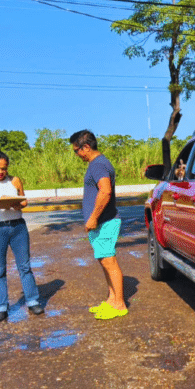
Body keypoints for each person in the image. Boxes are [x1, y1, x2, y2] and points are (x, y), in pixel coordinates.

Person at [0, 147, 44, 324]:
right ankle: (1, 307)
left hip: (18, 227)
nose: (1, 172)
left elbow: (24, 201)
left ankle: (33, 301)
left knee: (25, 266)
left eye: (4, 168)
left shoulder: (15, 180)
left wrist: (17, 205)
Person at [70, 130, 128, 320]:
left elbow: (105, 192)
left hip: (105, 221)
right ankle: (112, 299)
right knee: (104, 261)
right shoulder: (98, 163)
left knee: (109, 261)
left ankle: (119, 304)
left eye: (77, 150)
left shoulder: (98, 165)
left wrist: (93, 217)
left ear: (86, 147)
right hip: (101, 223)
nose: (77, 155)